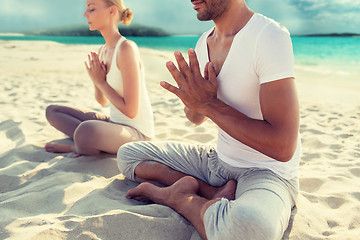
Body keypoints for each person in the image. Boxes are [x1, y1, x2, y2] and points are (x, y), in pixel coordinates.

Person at [117, 0, 301, 239]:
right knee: (129, 156)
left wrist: (209, 104)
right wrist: (194, 101)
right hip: (217, 162)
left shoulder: (268, 36)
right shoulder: (204, 41)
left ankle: (179, 198)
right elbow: (195, 118)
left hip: (266, 172)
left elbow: (283, 146)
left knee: (252, 229)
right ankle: (210, 191)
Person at [45, 0, 154, 157]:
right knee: (53, 111)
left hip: (137, 133)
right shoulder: (103, 50)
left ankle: (75, 147)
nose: (85, 14)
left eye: (91, 9)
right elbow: (102, 101)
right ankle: (87, 141)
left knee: (86, 130)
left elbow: (131, 111)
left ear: (111, 11)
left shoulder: (126, 49)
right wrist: (97, 82)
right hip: (114, 124)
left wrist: (101, 82)